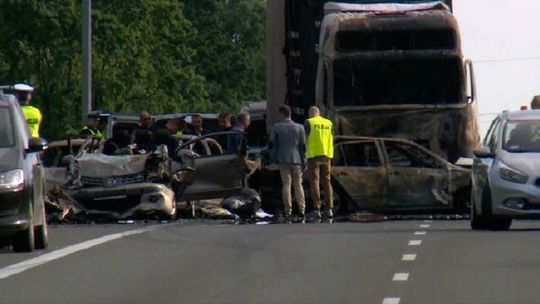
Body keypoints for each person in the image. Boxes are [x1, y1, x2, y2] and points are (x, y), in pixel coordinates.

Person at [268, 105, 306, 219]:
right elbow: (303, 146)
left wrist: (274, 157)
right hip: (297, 159)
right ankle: (302, 209)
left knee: (286, 185)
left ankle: (288, 210)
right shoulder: (300, 127)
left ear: (282, 114)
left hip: (283, 159)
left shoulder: (277, 127)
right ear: (290, 113)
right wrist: (304, 160)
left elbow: (272, 144)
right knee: (298, 185)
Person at [304, 106, 334, 219]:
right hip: (327, 155)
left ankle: (317, 209)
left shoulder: (309, 122)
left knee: (315, 182)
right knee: (327, 182)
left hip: (313, 157)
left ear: (311, 113)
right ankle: (329, 209)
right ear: (319, 113)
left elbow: (304, 139)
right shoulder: (328, 123)